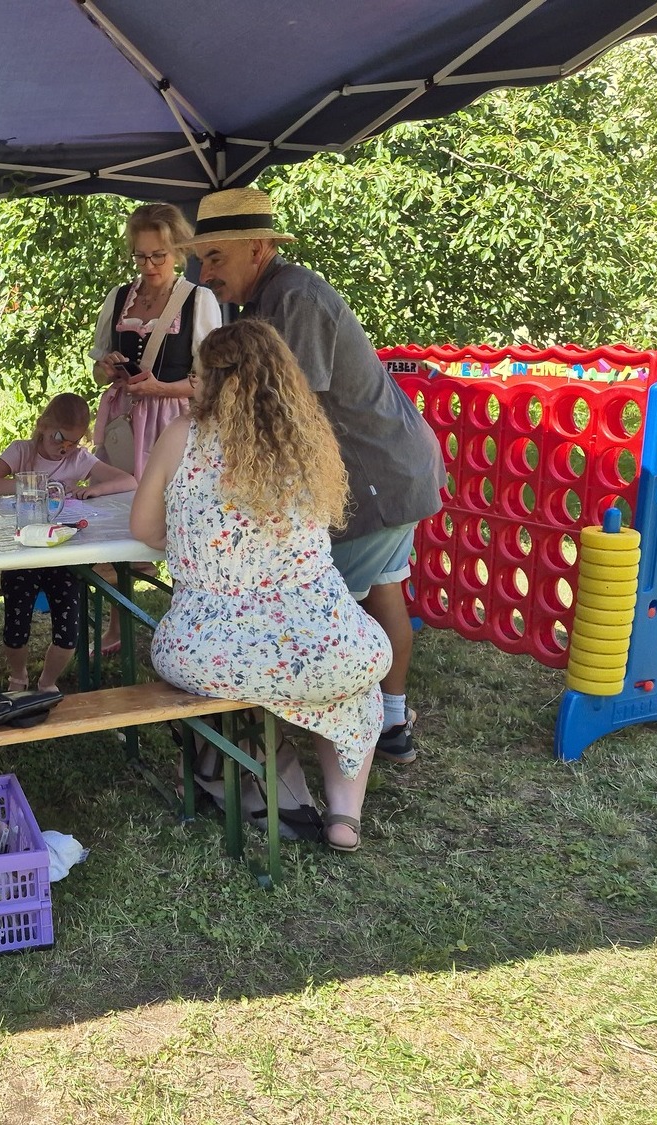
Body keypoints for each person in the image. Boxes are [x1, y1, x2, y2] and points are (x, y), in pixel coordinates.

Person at [183, 187, 444, 766]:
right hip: (393, 466)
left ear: (258, 248)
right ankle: (390, 722)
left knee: (322, 610)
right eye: (201, 259)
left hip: (376, 474)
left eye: (216, 257)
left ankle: (348, 730)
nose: (206, 273)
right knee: (384, 588)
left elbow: (286, 408)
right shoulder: (267, 299)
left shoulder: (294, 298)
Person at [131, 320, 393, 851]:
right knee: (354, 683)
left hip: (207, 649)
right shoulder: (305, 440)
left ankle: (252, 772)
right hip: (325, 639)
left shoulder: (183, 436)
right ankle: (345, 816)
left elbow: (144, 529)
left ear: (220, 380)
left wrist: (194, 545)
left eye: (198, 375)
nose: (191, 386)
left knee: (257, 680)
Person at [87, 203, 222, 656]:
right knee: (120, 516)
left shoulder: (199, 300)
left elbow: (212, 380)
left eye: (158, 256)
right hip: (125, 424)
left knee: (179, 518)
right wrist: (107, 368)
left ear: (178, 251)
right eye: (141, 256)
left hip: (174, 425)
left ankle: (189, 622)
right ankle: (117, 624)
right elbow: (98, 372)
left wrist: (161, 387)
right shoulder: (119, 297)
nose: (149, 266)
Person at [0, 393, 136, 691]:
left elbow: (129, 481)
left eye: (74, 442)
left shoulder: (78, 459)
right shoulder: (22, 452)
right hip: (24, 551)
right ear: (43, 425)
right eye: (59, 438)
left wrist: (96, 489)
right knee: (16, 628)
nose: (64, 448)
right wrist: (29, 485)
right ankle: (18, 675)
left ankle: (47, 682)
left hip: (63, 553)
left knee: (68, 632)